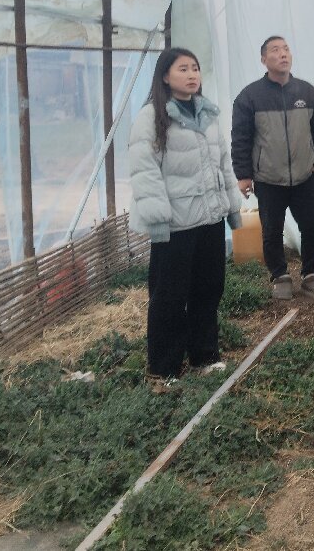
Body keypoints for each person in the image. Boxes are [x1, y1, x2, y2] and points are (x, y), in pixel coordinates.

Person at [128, 47, 244, 381]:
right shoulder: (152, 116)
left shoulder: (207, 113)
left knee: (208, 289)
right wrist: (158, 218)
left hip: (209, 219)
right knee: (169, 296)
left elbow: (223, 163)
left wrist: (231, 208)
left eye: (195, 68)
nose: (192, 74)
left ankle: (204, 357)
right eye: (183, 69)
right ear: (165, 76)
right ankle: (164, 368)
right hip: (175, 224)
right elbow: (144, 170)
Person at [231, 36, 314, 301]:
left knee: (313, 226)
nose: (283, 54)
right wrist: (244, 175)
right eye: (275, 50)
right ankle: (280, 276)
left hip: (304, 176)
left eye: (286, 49)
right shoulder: (250, 97)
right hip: (267, 178)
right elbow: (240, 138)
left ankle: (311, 276)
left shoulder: (309, 93)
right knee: (272, 230)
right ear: (264, 59)